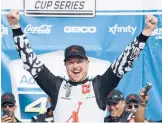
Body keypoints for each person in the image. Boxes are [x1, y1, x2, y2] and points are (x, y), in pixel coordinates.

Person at [7, 10, 158, 122]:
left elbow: (123, 62)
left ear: (87, 63)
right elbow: (30, 61)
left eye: (79, 61)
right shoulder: (56, 86)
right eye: (71, 62)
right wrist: (15, 27)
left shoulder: (99, 85)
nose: (75, 66)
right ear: (65, 65)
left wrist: (145, 33)